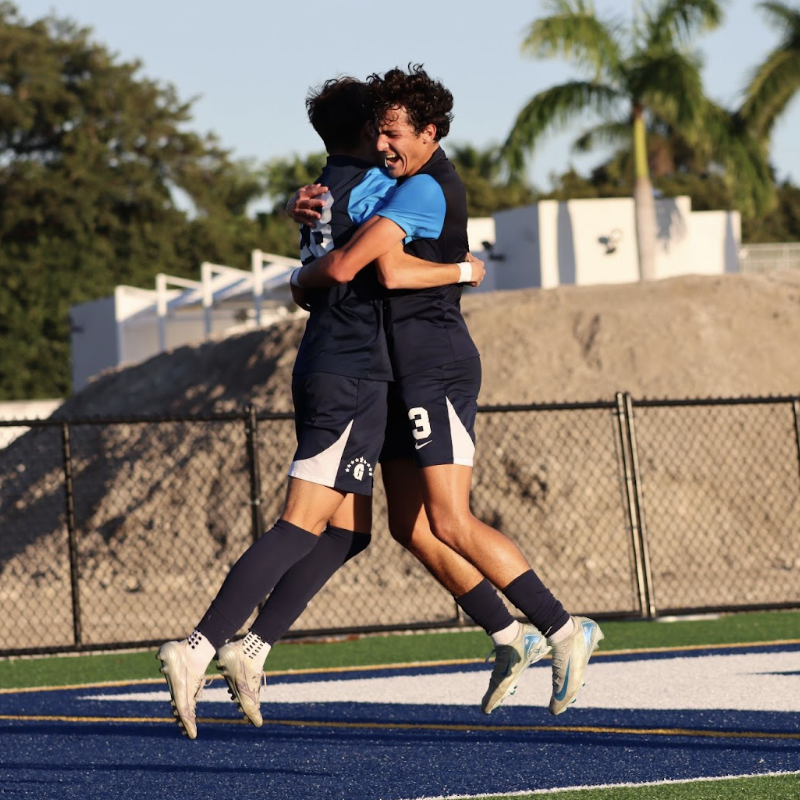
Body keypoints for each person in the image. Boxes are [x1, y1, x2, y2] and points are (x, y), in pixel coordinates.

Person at [156, 76, 518, 740]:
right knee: (303, 523)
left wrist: (300, 258)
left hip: (342, 365)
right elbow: (373, 258)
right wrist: (464, 268)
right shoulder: (381, 188)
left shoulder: (321, 190)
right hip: (354, 370)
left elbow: (317, 269)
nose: (389, 140)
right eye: (380, 128)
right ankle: (200, 646)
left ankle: (253, 649)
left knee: (349, 532)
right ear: (365, 132)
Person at [290, 64, 603, 717]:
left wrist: (462, 269)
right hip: (400, 369)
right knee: (410, 528)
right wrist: (308, 206)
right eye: (378, 131)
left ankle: (566, 630)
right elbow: (343, 210)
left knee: (451, 519)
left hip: (435, 365)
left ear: (431, 132)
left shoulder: (430, 186)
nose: (384, 145)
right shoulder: (395, 176)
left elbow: (392, 271)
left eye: (396, 132)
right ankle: (508, 635)